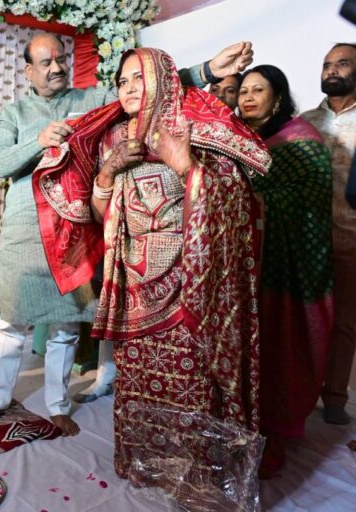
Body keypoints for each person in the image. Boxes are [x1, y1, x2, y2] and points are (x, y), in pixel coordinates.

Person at [0, 33, 255, 433]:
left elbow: (150, 88)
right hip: (24, 233)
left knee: (66, 327)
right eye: (46, 62)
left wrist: (207, 70)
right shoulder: (14, 112)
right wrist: (38, 141)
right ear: (29, 71)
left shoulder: (92, 99)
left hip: (73, 232)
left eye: (61, 59)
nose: (57, 68)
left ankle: (57, 404)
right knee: (11, 325)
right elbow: (0, 164)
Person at [33, 47, 270, 482]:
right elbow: (101, 216)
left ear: (161, 78)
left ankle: (199, 479)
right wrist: (107, 174)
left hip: (189, 284)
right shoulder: (113, 137)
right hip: (134, 286)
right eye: (121, 82)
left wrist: (185, 167)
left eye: (138, 78)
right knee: (140, 381)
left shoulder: (195, 127)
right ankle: (147, 465)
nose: (127, 89)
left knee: (190, 383)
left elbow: (234, 204)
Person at [239, 65, 334, 476]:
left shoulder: (301, 139)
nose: (247, 97)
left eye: (258, 90)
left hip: (284, 267)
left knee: (278, 345)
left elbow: (310, 195)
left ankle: (274, 432)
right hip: (241, 266)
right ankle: (238, 428)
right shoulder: (234, 139)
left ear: (277, 97)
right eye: (243, 90)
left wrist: (255, 200)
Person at [300, 43, 356, 426]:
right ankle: (299, 394)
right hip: (308, 242)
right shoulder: (304, 123)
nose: (332, 71)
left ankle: (335, 398)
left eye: (343, 64)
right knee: (302, 319)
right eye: (327, 65)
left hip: (351, 241)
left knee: (345, 322)